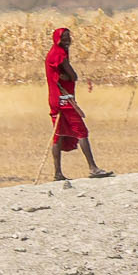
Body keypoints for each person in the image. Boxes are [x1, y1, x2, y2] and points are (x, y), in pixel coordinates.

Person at [45, 28, 109, 182]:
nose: (67, 40)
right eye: (64, 38)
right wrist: (69, 76)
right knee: (81, 131)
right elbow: (74, 76)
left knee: (58, 135)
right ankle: (93, 168)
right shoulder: (60, 54)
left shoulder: (53, 53)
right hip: (64, 100)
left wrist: (65, 76)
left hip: (55, 99)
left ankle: (57, 173)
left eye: (68, 37)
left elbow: (65, 76)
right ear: (57, 40)